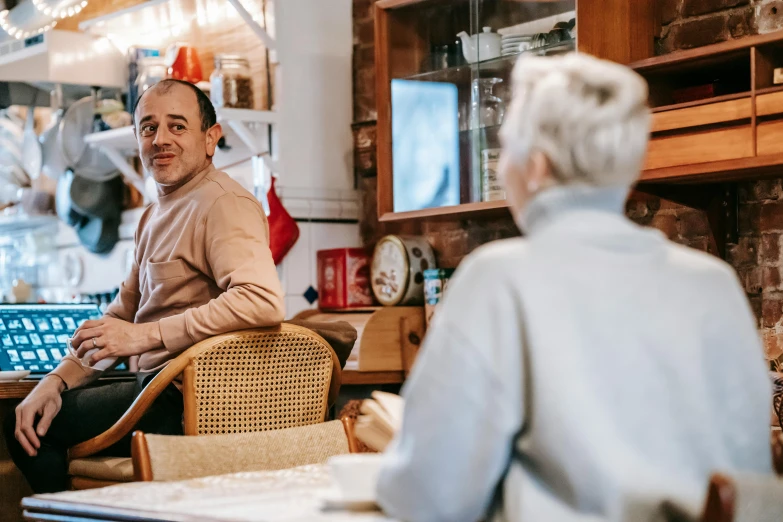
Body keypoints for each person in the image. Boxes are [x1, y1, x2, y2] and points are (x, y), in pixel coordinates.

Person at [375, 53, 773, 522]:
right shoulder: (714, 284)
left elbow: (431, 498)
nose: (502, 171)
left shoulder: (499, 279)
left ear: (538, 167)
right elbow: (752, 481)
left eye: (505, 150)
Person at [4, 79, 285, 493]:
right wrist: (56, 380)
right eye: (149, 128)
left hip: (194, 400)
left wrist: (143, 336)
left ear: (211, 139)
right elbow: (119, 317)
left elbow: (262, 302)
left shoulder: (223, 203)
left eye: (177, 126)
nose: (161, 139)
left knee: (29, 432)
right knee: (29, 409)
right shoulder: (154, 214)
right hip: (157, 389)